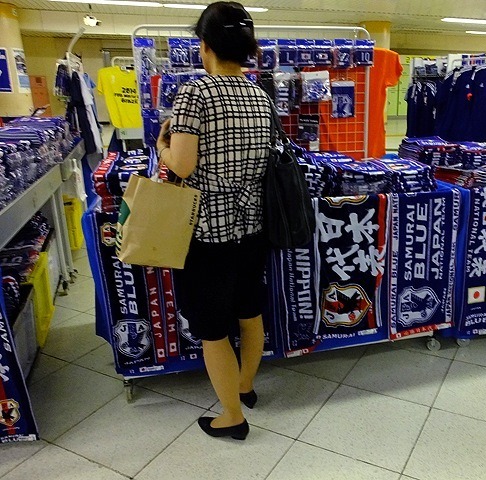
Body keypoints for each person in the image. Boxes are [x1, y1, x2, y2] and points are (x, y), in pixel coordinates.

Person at [156, 1, 271, 441]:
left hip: (208, 229)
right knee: (249, 311)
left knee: (211, 328)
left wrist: (163, 145)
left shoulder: (195, 93)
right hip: (252, 224)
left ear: (203, 45)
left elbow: (183, 166)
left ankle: (231, 417)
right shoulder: (260, 94)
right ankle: (244, 388)